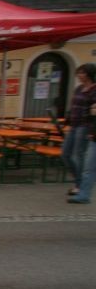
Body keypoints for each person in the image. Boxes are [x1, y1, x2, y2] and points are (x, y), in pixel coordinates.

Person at [63, 63, 96, 200]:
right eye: (78, 72)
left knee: (78, 155)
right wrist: (68, 118)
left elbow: (94, 112)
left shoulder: (94, 90)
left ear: (89, 74)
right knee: (65, 154)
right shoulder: (78, 88)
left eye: (82, 72)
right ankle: (78, 182)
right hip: (74, 125)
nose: (79, 75)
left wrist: (92, 129)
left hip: (85, 126)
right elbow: (73, 106)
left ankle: (81, 187)